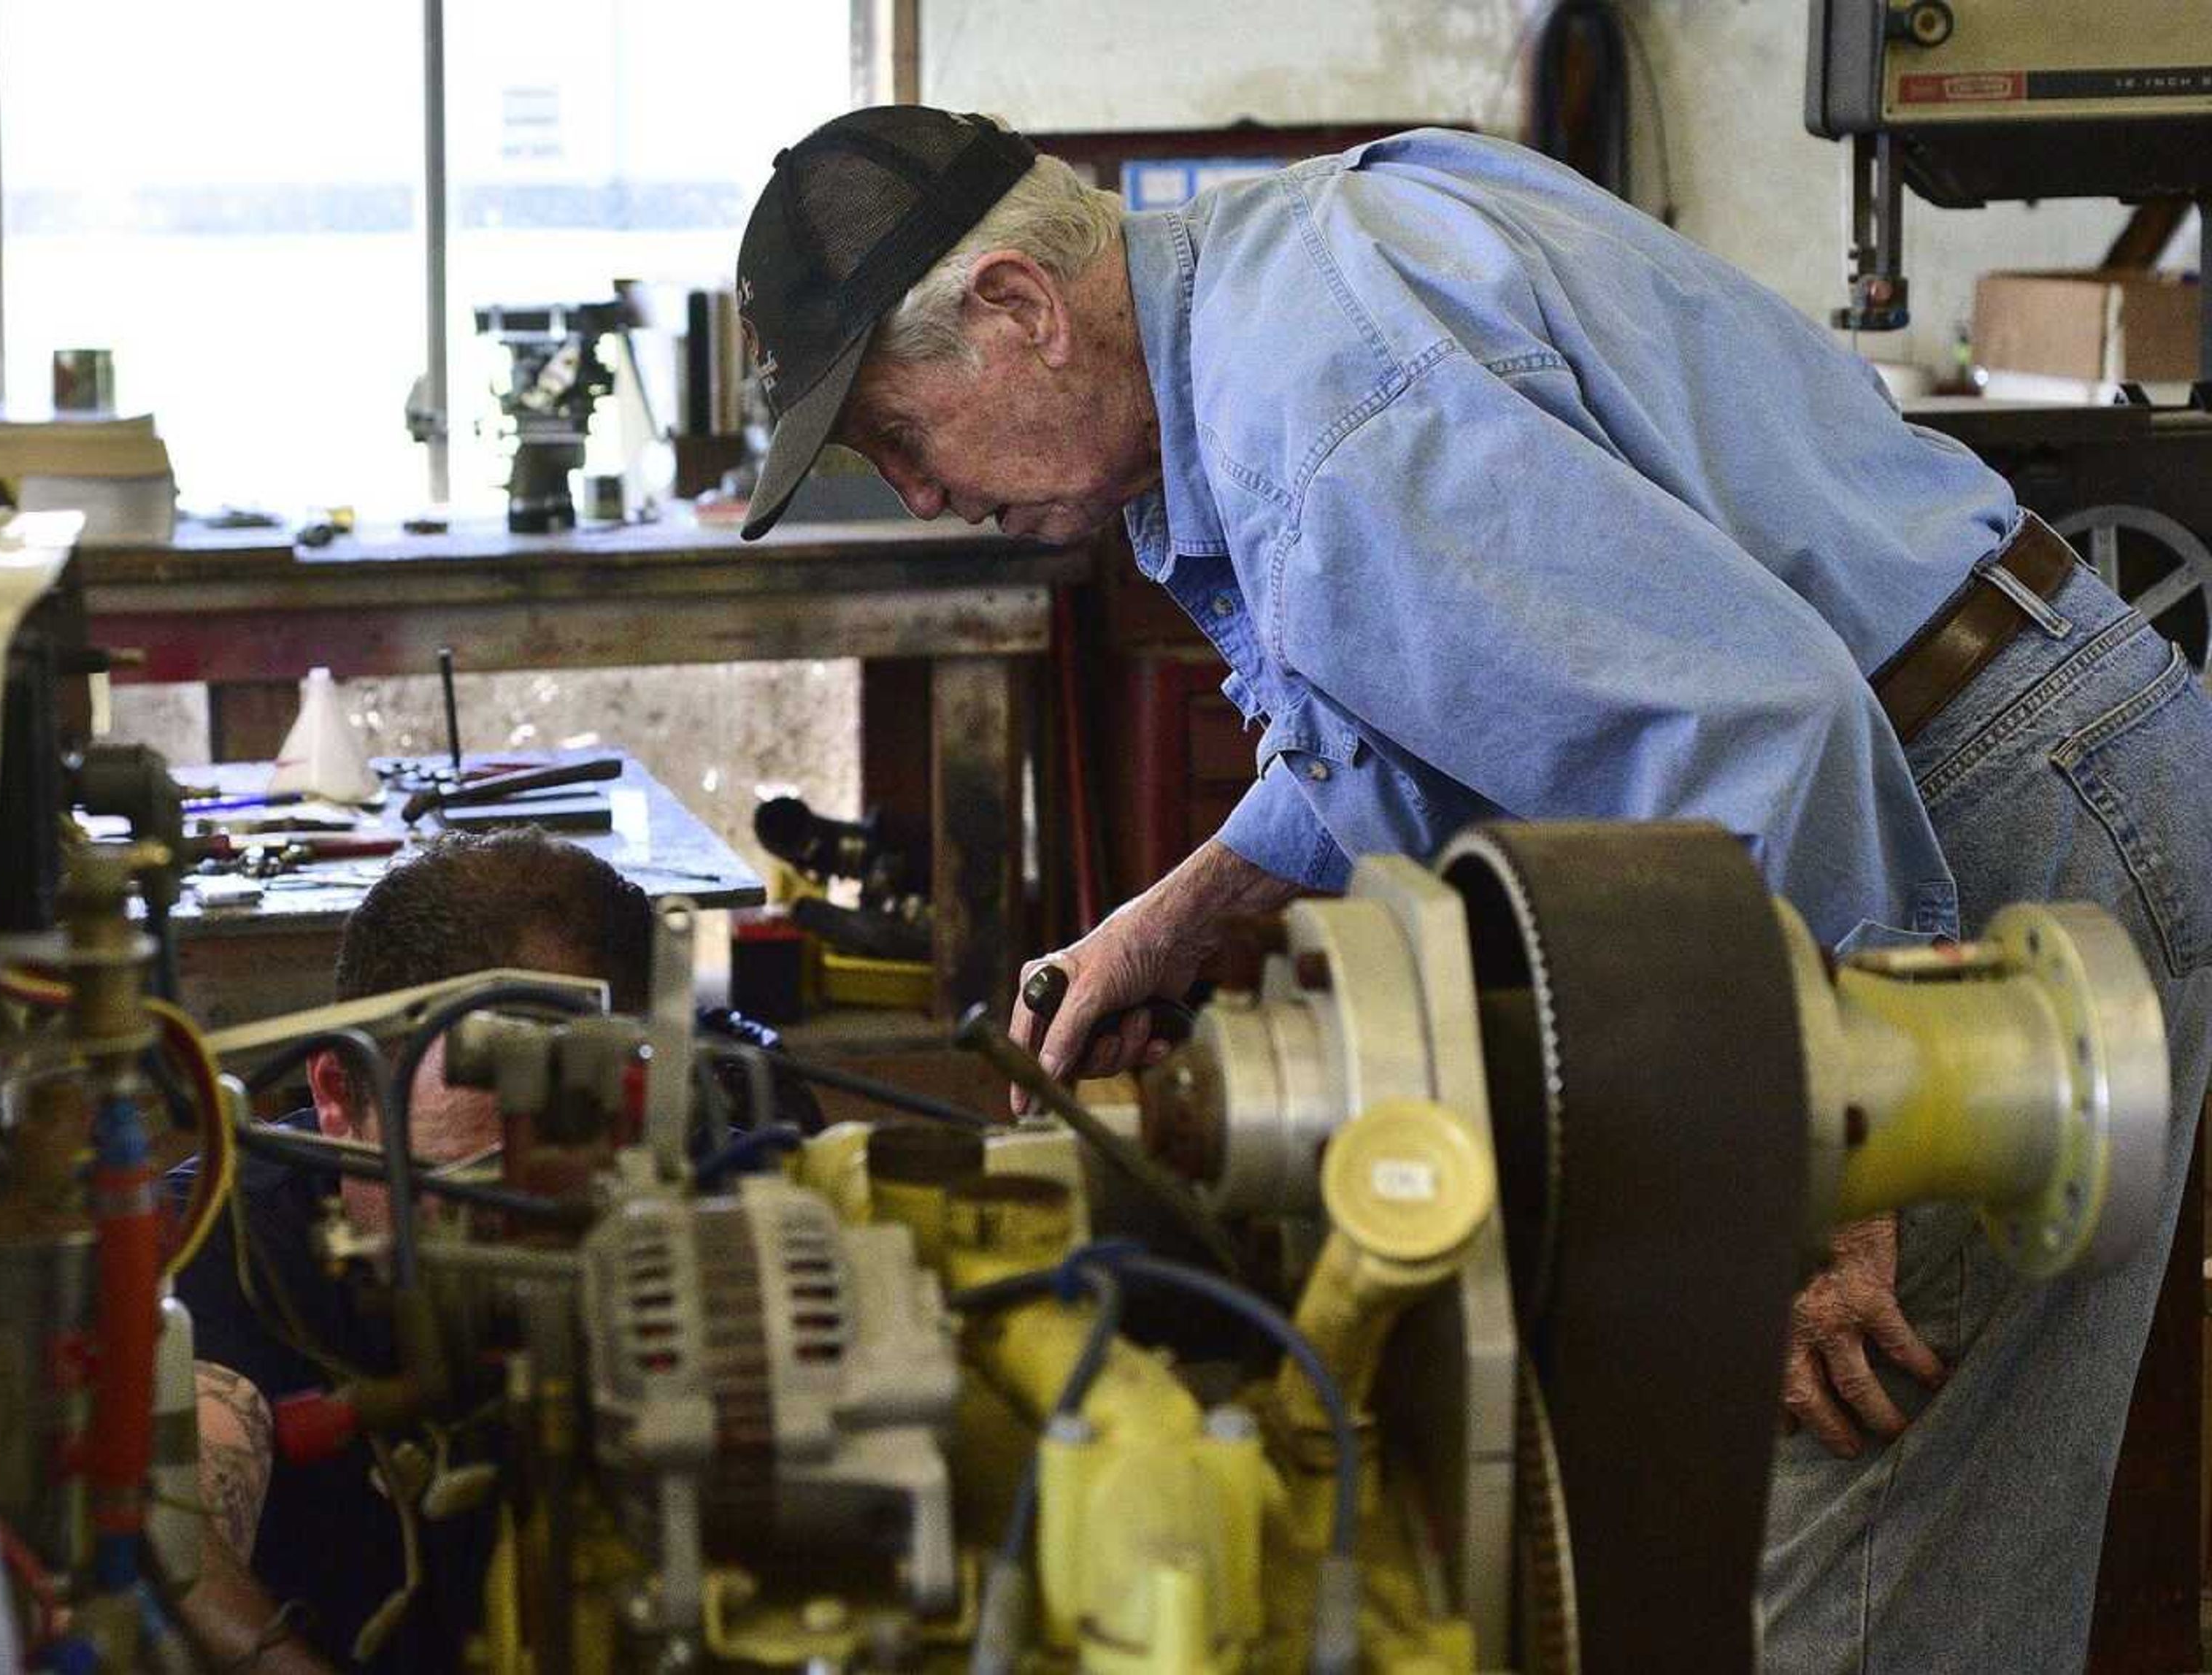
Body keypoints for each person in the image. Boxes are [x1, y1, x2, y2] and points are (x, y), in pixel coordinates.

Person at [731, 105, 2212, 1671]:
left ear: (1019, 310)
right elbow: (1415, 710)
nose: (920, 499)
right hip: (1965, 774)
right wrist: (1169, 921)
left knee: (1859, 1584)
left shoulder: (1328, 425)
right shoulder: (1272, 280)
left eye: (899, 438)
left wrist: (1833, 1165)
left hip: (1969, 835)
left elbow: (1762, 733)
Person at [169, 829, 653, 1674]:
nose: (526, 1246)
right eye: (470, 1190)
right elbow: (174, 1513)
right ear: (336, 1094)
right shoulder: (235, 1241)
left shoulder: (742, 1198)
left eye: (570, 1190)